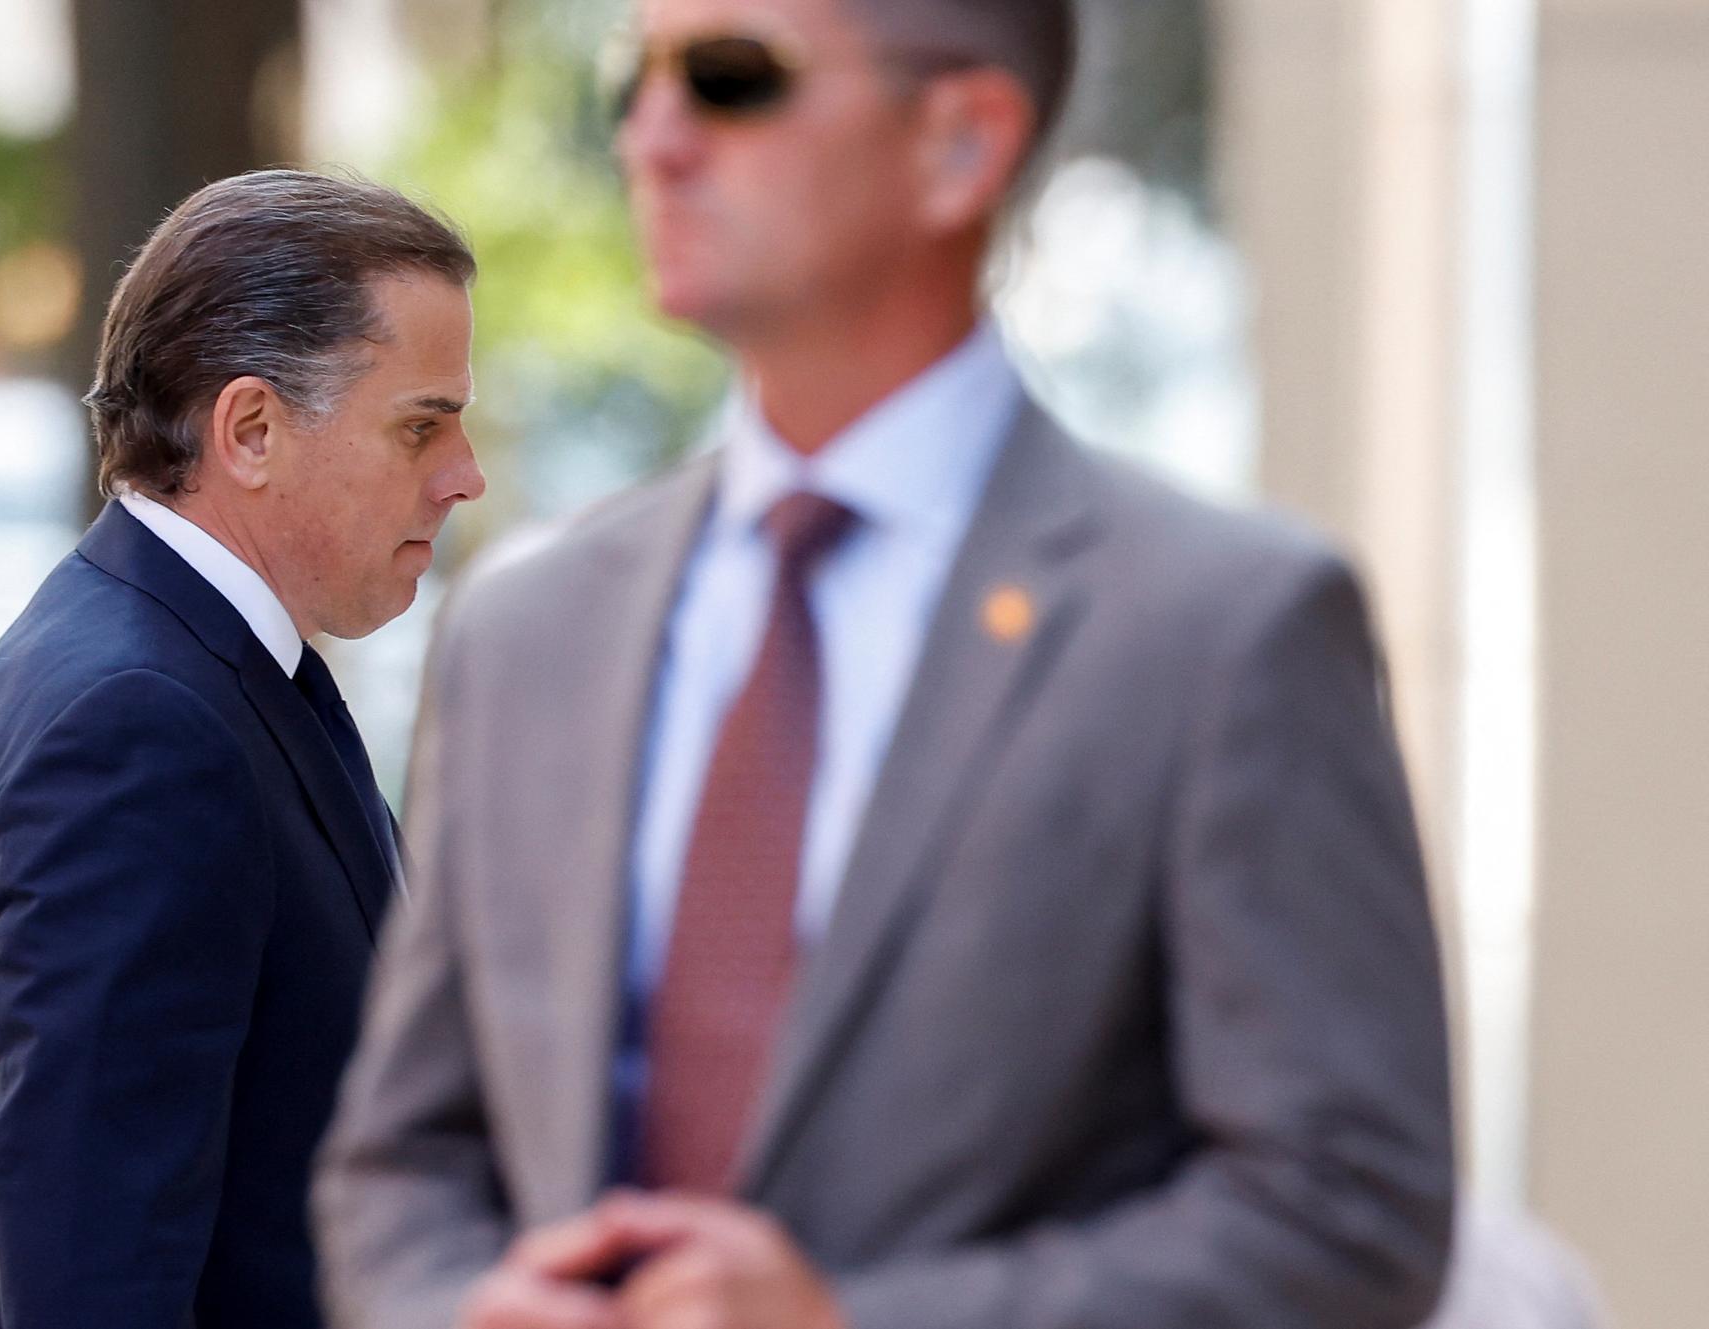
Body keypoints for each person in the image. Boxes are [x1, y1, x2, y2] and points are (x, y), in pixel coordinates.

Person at [312, 0, 1454, 1324]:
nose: (651, 136)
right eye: (637, 78)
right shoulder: (529, 633)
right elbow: (404, 1166)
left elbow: (1347, 1203)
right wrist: (460, 1308)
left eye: (730, 78)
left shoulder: (1224, 631)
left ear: (961, 144)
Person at [0, 169, 483, 1329]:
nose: (464, 473)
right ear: (250, 429)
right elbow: (94, 1283)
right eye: (422, 423)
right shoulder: (140, 722)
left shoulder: (181, 670)